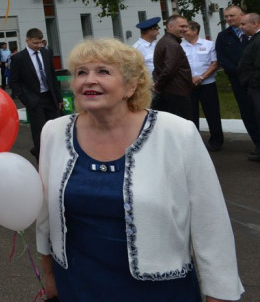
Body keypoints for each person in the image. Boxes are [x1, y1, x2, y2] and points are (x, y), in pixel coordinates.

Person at [36, 38, 244, 301]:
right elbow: (45, 215)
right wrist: (49, 275)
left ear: (131, 85)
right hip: (78, 285)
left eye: (103, 71)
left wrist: (220, 293)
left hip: (160, 291)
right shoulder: (54, 132)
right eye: (81, 72)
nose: (89, 80)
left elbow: (210, 221)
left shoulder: (176, 132)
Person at [10, 28, 63, 159]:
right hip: (34, 100)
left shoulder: (46, 53)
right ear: (27, 40)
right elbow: (13, 81)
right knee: (40, 133)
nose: (39, 45)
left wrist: (59, 98)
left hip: (50, 98)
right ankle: (41, 158)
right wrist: (26, 99)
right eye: (35, 43)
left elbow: (52, 76)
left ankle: (57, 157)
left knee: (56, 129)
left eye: (40, 42)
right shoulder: (18, 58)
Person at [216, 5, 260, 161]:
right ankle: (258, 144)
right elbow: (221, 58)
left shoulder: (253, 35)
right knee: (247, 113)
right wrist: (239, 73)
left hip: (256, 81)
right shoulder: (223, 36)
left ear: (242, 15)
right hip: (238, 82)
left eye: (232, 16)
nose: (228, 19)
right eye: (226, 16)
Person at [181, 21, 223, 148]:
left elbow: (215, 64)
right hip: (188, 85)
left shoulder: (209, 44)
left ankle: (216, 141)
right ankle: (194, 143)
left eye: (186, 30)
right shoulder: (179, 46)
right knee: (190, 114)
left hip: (207, 84)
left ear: (195, 31)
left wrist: (201, 77)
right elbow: (178, 66)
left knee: (212, 113)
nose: (183, 32)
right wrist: (190, 79)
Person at [151, 15, 194, 121]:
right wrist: (158, 86)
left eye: (186, 26)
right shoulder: (172, 44)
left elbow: (159, 68)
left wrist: (158, 84)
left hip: (171, 92)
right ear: (170, 27)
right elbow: (169, 70)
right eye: (182, 26)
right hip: (177, 94)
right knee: (182, 125)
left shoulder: (166, 41)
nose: (185, 29)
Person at [237, 12, 260, 163]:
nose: (241, 27)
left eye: (244, 24)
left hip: (256, 87)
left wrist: (252, 83)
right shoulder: (254, 39)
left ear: (255, 24)